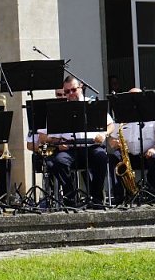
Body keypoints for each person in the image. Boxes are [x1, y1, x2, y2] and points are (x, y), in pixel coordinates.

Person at [29, 76, 113, 209]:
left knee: (101, 157)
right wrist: (58, 142)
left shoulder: (91, 103)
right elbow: (43, 136)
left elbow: (110, 124)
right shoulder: (58, 109)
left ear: (81, 87)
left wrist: (104, 134)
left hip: (91, 147)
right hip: (70, 149)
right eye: (67, 92)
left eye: (73, 90)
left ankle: (96, 197)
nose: (71, 94)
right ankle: (71, 198)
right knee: (58, 162)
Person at [107, 88, 155, 204]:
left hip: (148, 154)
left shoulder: (153, 115)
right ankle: (119, 195)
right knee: (113, 158)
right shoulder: (121, 117)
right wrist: (114, 143)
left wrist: (154, 148)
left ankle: (153, 193)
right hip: (128, 156)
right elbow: (111, 138)